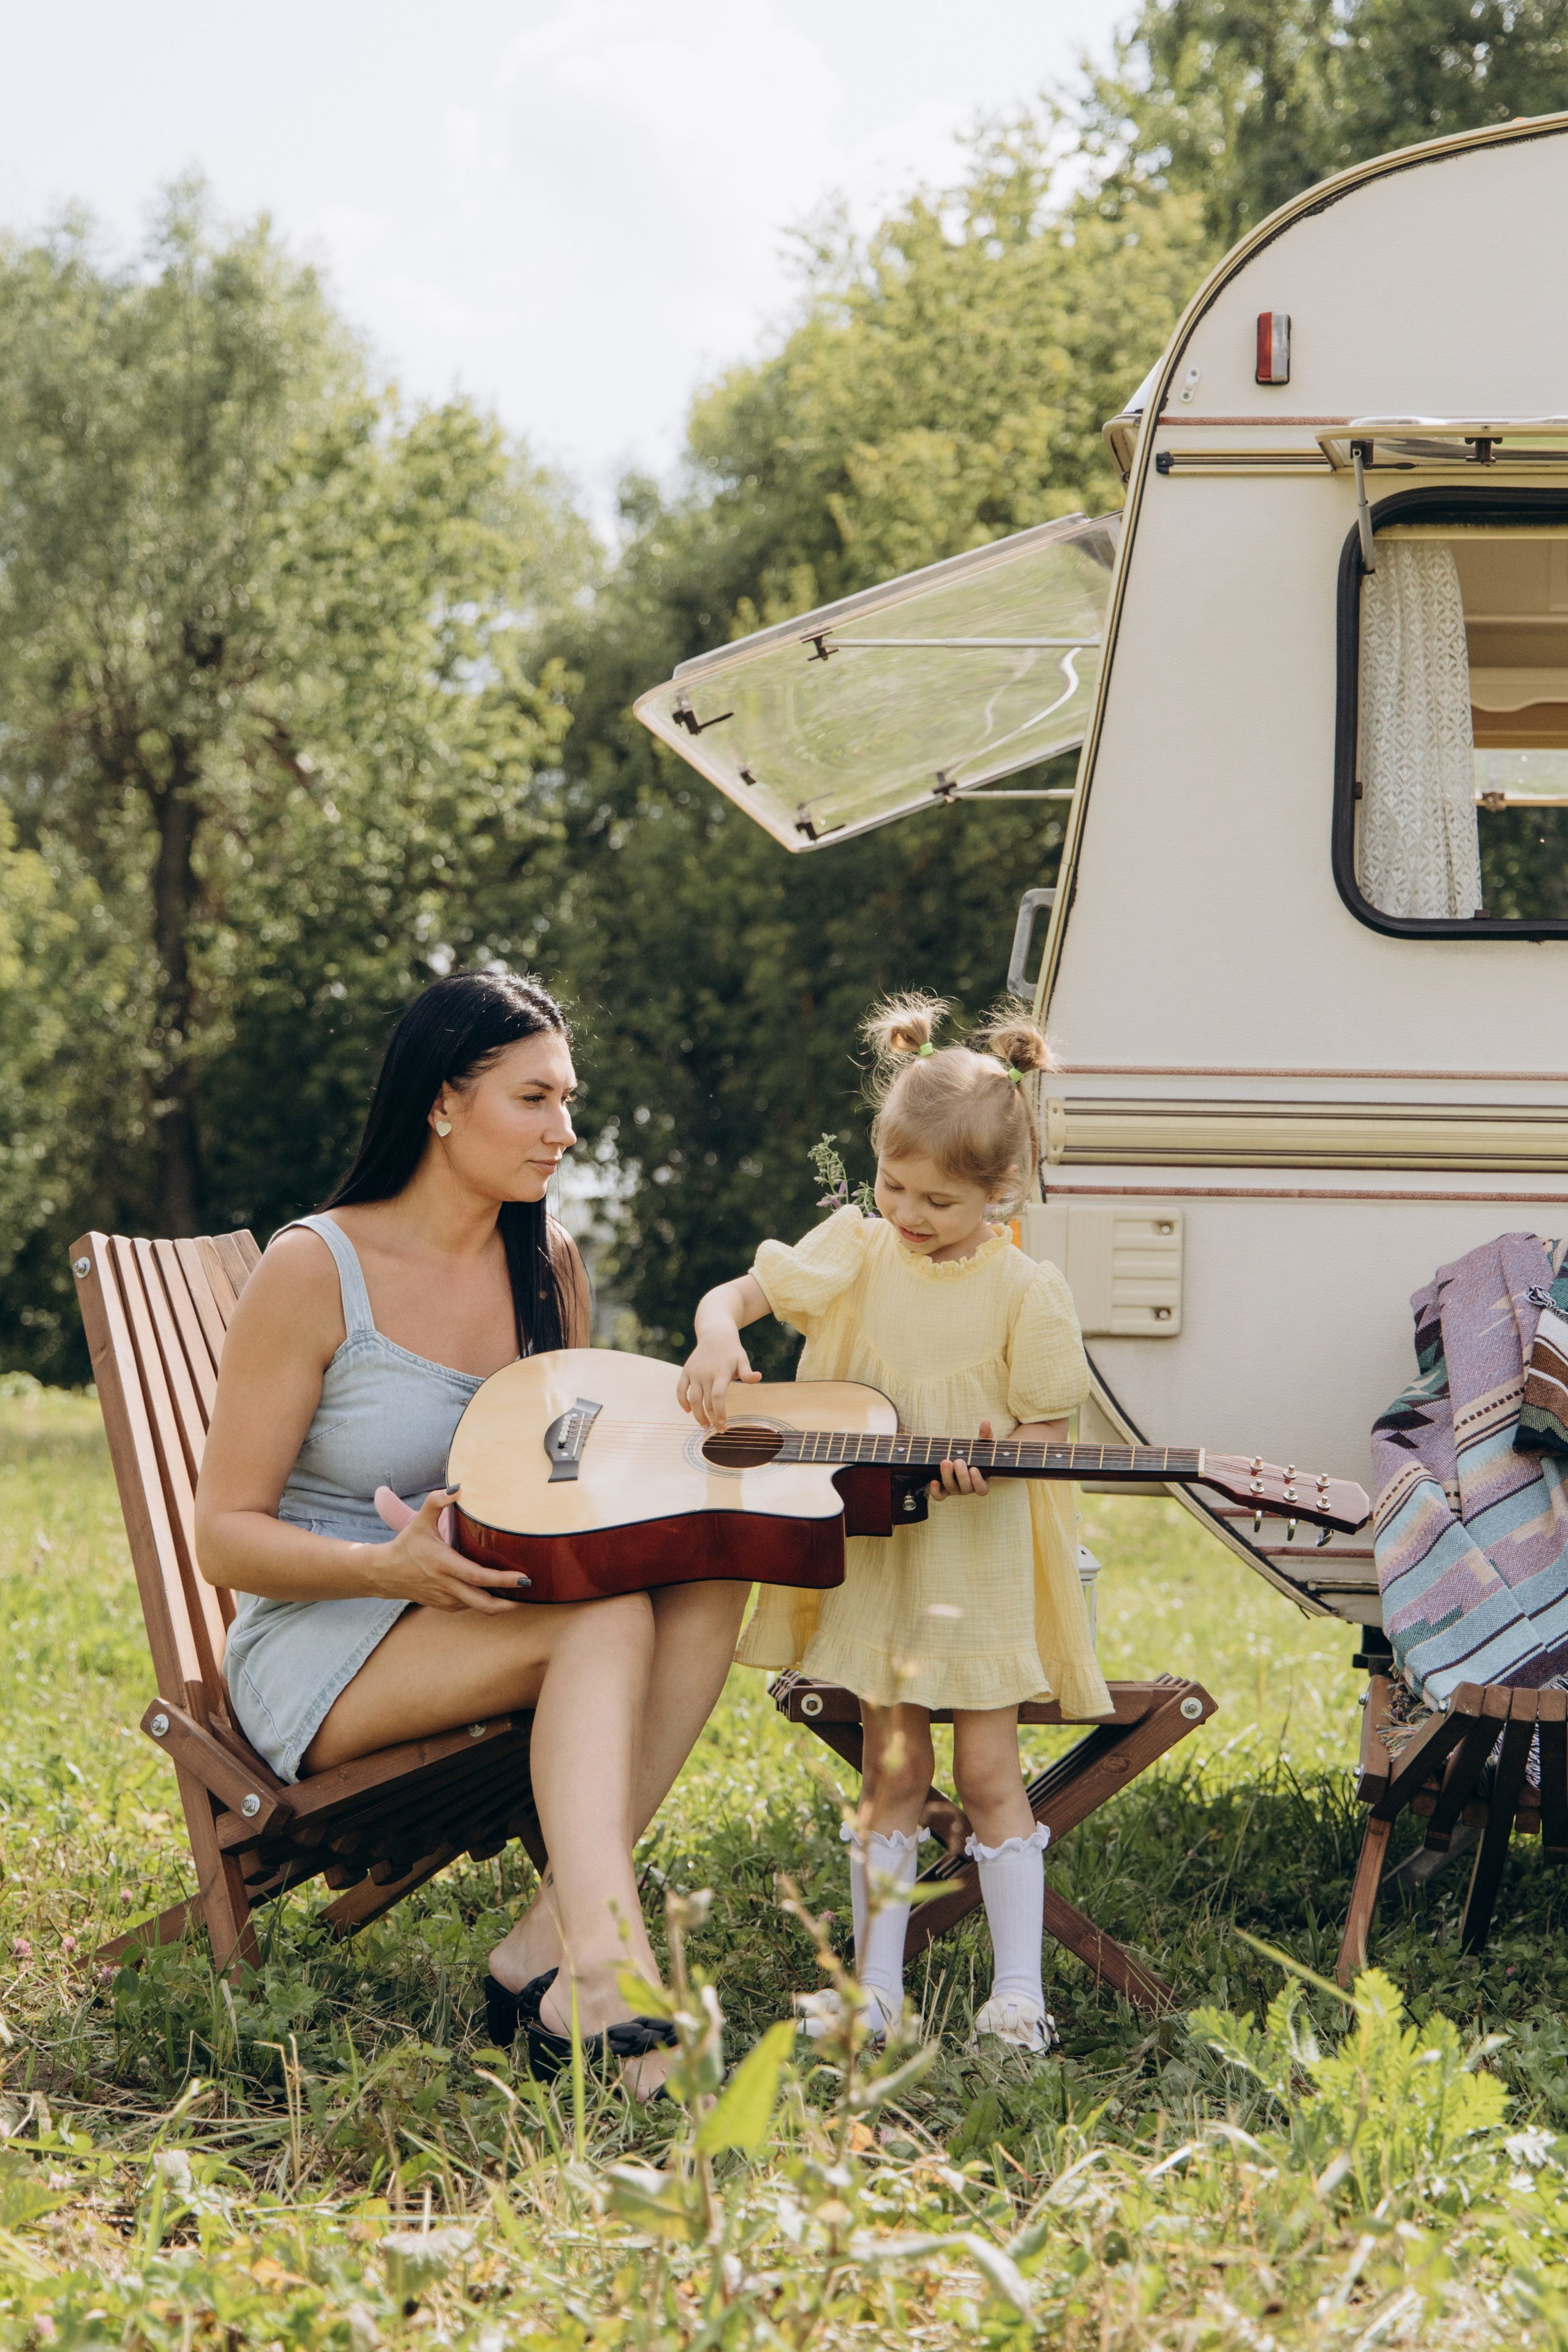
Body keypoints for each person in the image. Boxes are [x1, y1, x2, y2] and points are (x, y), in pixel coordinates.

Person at [195, 970, 749, 2090]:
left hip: (477, 1604)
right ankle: (605, 1973)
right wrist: (385, 1563)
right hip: (323, 1633)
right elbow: (223, 1536)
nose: (567, 1132)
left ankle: (551, 1938)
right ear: (444, 1103)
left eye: (568, 1101)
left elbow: (573, 1475)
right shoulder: (317, 1270)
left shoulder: (543, 1267)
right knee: (599, 1629)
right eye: (535, 1100)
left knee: (706, 1583)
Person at [679, 993, 1111, 2053]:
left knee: (987, 1774)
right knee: (892, 1774)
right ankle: (875, 1991)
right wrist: (710, 1339)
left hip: (977, 1563)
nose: (910, 1212)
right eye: (895, 1186)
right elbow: (737, 1296)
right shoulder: (856, 1253)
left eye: (939, 1201)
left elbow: (1050, 1437)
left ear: (999, 1196)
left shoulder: (1026, 1290)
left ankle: (1019, 1994)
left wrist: (994, 1460)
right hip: (875, 1564)